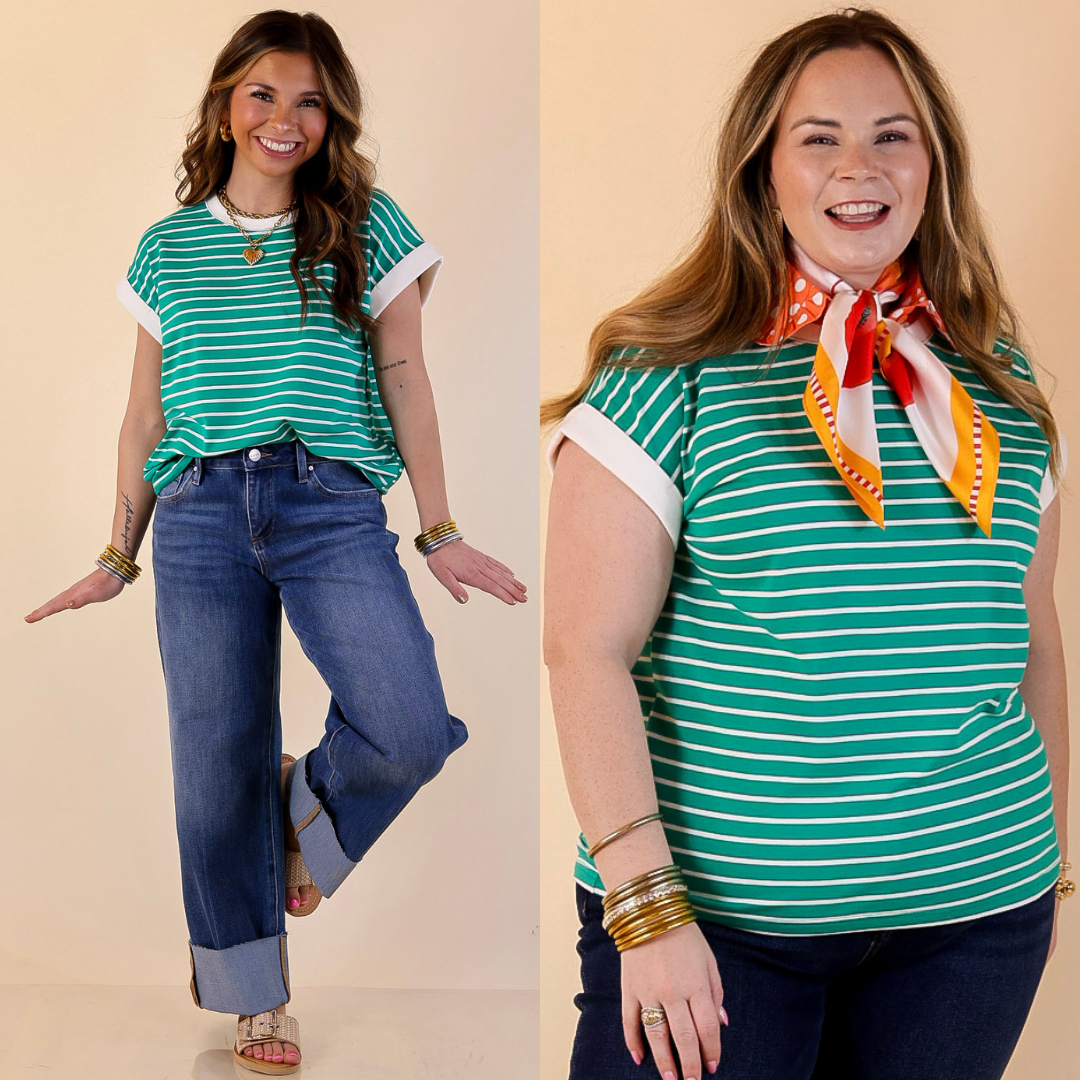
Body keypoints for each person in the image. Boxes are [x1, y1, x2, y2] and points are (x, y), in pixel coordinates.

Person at [543, 9, 1071, 1080]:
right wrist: (644, 913)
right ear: (764, 170)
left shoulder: (999, 381)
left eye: (893, 134)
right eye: (817, 137)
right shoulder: (671, 368)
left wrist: (1049, 847)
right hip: (716, 930)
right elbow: (583, 648)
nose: (858, 166)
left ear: (934, 164)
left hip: (975, 925)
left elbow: (1032, 629)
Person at [25, 9, 526, 1074]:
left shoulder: (367, 225)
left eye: (308, 101)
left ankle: (306, 806)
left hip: (327, 499)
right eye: (264, 95)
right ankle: (255, 996)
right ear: (224, 104)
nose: (285, 120)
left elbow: (405, 378)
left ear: (330, 116)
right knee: (213, 763)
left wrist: (439, 528)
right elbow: (144, 420)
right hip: (199, 513)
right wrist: (117, 555)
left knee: (409, 726)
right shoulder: (167, 248)